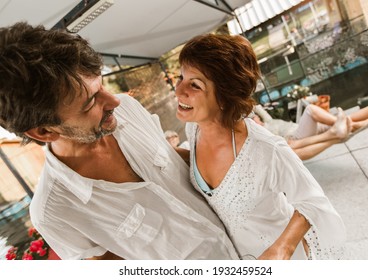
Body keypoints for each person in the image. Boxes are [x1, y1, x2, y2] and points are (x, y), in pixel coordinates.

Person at [0, 22, 239, 260]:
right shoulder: (54, 213)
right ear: (43, 132)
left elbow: (174, 159)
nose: (114, 101)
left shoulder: (127, 108)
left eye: (101, 84)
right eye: (91, 102)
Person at [175, 33, 346, 260]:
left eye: (194, 85)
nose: (178, 90)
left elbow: (314, 201)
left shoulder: (266, 149)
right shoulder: (193, 131)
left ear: (224, 97)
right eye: (180, 78)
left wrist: (282, 249)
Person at [252, 89, 368, 160]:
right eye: (254, 119)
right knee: (311, 110)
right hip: (297, 137)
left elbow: (257, 108)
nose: (256, 118)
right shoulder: (264, 134)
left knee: (345, 119)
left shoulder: (268, 122)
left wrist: (254, 109)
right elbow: (282, 145)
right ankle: (349, 124)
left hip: (303, 130)